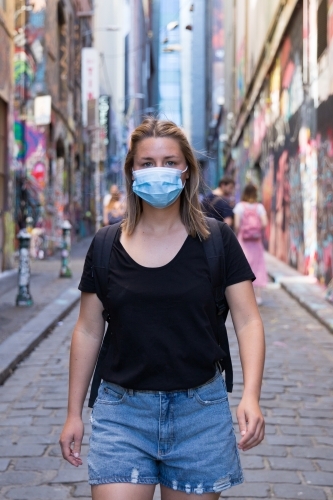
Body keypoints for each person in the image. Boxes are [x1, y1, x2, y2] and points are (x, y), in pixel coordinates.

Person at [59, 118, 265, 500]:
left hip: (199, 414)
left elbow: (248, 320)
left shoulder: (216, 240)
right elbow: (87, 329)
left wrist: (250, 394)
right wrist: (73, 413)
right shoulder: (106, 245)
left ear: (187, 171)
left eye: (170, 162)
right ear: (132, 171)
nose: (159, 171)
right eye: (147, 162)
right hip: (122, 414)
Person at [233, 183, 268, 306]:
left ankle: (245, 296)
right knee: (258, 267)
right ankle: (258, 297)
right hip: (256, 242)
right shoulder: (259, 207)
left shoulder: (239, 207)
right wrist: (256, 230)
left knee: (244, 266)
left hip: (243, 240)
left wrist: (242, 232)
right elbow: (264, 223)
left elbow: (237, 225)